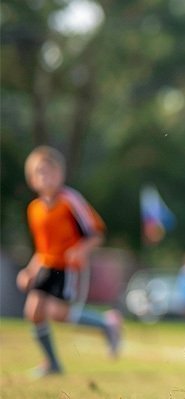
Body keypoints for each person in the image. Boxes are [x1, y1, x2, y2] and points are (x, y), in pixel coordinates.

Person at [17, 146, 122, 376]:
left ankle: (107, 324)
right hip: (46, 265)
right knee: (33, 311)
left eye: (50, 172)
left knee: (59, 314)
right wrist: (29, 271)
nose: (46, 177)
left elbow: (96, 233)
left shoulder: (70, 201)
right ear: (32, 179)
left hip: (67, 268)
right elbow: (42, 248)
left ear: (60, 174)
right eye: (40, 173)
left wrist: (80, 250)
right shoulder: (34, 209)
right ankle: (52, 364)